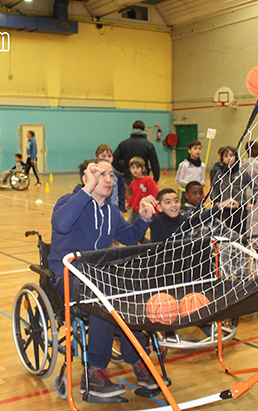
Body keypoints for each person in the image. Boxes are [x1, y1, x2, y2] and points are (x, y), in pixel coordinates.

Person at [47, 158, 158, 399]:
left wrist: (144, 219)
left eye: (112, 175)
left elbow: (128, 238)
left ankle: (139, 362)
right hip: (67, 278)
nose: (109, 179)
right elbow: (61, 224)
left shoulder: (110, 210)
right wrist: (87, 189)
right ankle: (93, 372)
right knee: (105, 296)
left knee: (130, 293)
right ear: (87, 178)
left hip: (99, 278)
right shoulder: (68, 202)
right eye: (103, 174)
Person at [209, 147, 249, 236]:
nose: (229, 158)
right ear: (222, 158)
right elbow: (214, 188)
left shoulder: (242, 172)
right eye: (226, 156)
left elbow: (255, 186)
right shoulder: (220, 173)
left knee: (241, 233)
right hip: (226, 208)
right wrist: (216, 201)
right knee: (229, 231)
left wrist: (251, 202)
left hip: (240, 207)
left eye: (231, 155)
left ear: (236, 156)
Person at [113, 120, 160, 193]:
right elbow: (154, 163)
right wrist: (156, 178)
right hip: (143, 177)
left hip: (128, 175)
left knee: (131, 198)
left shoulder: (124, 144)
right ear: (144, 130)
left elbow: (114, 159)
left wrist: (122, 170)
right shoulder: (148, 145)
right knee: (143, 199)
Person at [240, 141, 258, 253]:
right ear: (252, 150)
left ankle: (246, 241)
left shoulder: (242, 163)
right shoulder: (256, 164)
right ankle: (255, 244)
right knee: (255, 220)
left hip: (245, 194)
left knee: (247, 219)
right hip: (256, 194)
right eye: (257, 148)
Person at [126, 157, 159, 224]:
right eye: (133, 167)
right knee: (134, 229)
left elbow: (155, 194)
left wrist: (156, 207)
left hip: (146, 210)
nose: (135, 170)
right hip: (135, 210)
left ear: (143, 169)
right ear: (130, 169)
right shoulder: (133, 183)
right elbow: (133, 195)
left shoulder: (148, 180)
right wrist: (129, 203)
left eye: (138, 167)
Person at [96, 144, 125, 213]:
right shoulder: (95, 174)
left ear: (112, 158)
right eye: (103, 156)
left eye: (109, 156)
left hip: (114, 209)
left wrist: (121, 208)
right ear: (97, 159)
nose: (107, 158)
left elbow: (121, 192)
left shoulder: (117, 175)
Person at [176, 140, 205, 205]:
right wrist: (188, 184)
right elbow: (177, 180)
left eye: (199, 149)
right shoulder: (184, 164)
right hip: (184, 192)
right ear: (189, 150)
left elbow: (203, 179)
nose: (198, 151)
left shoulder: (202, 165)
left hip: (197, 193)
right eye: (195, 149)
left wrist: (203, 183)